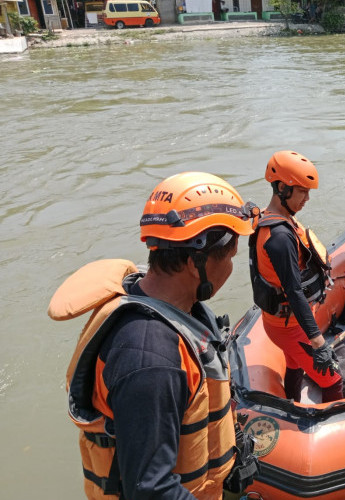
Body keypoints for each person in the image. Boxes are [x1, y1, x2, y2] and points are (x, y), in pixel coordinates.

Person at [48, 172, 259, 498]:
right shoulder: (152, 359)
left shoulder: (171, 304)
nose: (232, 268)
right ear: (195, 262)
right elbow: (151, 490)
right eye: (230, 257)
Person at [250, 150, 343, 403]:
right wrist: (319, 343)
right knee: (333, 381)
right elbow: (294, 291)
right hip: (289, 326)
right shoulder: (280, 238)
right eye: (302, 191)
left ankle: (293, 404)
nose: (307, 198)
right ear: (282, 187)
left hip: (281, 322)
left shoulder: (272, 220)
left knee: (294, 365)